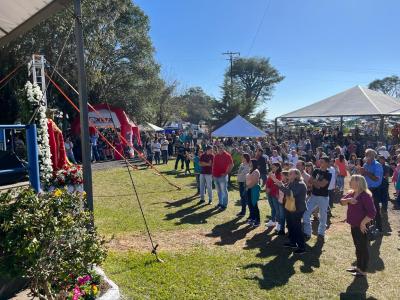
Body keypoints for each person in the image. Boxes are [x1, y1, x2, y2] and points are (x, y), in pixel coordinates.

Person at [340, 175, 376, 277]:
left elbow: (372, 213)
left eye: (352, 181)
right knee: (358, 247)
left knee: (363, 248)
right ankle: (359, 267)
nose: (350, 182)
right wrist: (349, 200)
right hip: (354, 225)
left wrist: (362, 223)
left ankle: (363, 271)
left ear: (358, 182)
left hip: (361, 227)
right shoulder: (352, 193)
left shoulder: (365, 195)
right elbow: (341, 202)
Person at [272, 168, 308, 254]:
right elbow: (285, 189)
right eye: (289, 173)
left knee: (297, 227)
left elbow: (290, 193)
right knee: (291, 226)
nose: (289, 175)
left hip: (297, 209)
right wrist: (277, 182)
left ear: (297, 175)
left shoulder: (300, 184)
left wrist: (280, 185)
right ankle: (293, 242)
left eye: (291, 173)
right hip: (290, 207)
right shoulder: (291, 182)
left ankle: (302, 247)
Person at [303, 156, 332, 239]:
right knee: (306, 213)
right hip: (313, 196)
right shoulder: (316, 170)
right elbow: (310, 181)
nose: (320, 163)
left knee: (323, 216)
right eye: (320, 161)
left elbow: (322, 185)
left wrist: (315, 182)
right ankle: (307, 232)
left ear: (327, 163)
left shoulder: (328, 174)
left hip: (323, 197)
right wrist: (317, 183)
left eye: (322, 161)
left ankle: (321, 233)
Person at [357, 149, 383, 232]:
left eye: (367, 154)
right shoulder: (365, 164)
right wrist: (361, 172)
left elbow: (376, 179)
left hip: (375, 190)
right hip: (366, 189)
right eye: (365, 154)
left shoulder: (377, 165)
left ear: (372, 156)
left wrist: (366, 172)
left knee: (375, 209)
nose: (365, 156)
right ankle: (369, 226)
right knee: (366, 209)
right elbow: (363, 175)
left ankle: (379, 227)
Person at [212, 145, 234, 210]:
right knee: (219, 191)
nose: (220, 150)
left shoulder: (227, 155)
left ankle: (224, 205)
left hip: (222, 176)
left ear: (223, 148)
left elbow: (232, 165)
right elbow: (214, 165)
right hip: (215, 176)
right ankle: (220, 203)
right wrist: (213, 174)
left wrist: (226, 173)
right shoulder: (216, 155)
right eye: (219, 148)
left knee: (224, 190)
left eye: (221, 148)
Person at [266, 162, 285, 235]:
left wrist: (270, 189)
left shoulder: (280, 174)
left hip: (275, 194)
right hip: (269, 193)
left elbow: (278, 184)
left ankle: (279, 223)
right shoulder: (271, 173)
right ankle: (273, 220)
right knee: (272, 208)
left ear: (277, 167)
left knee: (277, 210)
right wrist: (267, 188)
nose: (272, 168)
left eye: (273, 166)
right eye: (272, 166)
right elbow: (268, 181)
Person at [246, 159, 261, 227]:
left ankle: (257, 220)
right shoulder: (251, 170)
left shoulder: (256, 171)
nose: (250, 163)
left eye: (251, 162)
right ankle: (252, 218)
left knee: (254, 205)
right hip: (249, 189)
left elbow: (255, 182)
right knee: (250, 205)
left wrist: (248, 187)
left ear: (254, 163)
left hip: (253, 189)